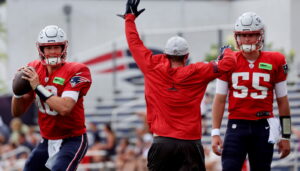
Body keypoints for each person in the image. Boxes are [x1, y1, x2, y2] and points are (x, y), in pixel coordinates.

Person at [119, 0, 237, 170]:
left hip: (162, 143)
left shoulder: (152, 66)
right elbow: (229, 64)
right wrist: (226, 51)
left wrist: (129, 19)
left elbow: (134, 43)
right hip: (190, 143)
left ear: (165, 54)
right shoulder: (198, 71)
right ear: (186, 56)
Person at [211, 12, 291, 171]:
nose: (247, 39)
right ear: (237, 37)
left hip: (263, 126)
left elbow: (283, 101)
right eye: (243, 35)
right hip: (236, 126)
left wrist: (286, 135)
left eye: (252, 34)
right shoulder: (228, 60)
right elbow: (219, 99)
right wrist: (215, 132)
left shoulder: (275, 60)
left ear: (260, 36)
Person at [11, 25, 92, 171]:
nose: (53, 51)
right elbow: (17, 112)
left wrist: (38, 87)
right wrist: (17, 92)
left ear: (64, 48)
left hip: (72, 139)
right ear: (41, 49)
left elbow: (65, 108)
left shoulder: (78, 70)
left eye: (57, 47)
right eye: (48, 48)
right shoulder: (34, 68)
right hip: (47, 140)